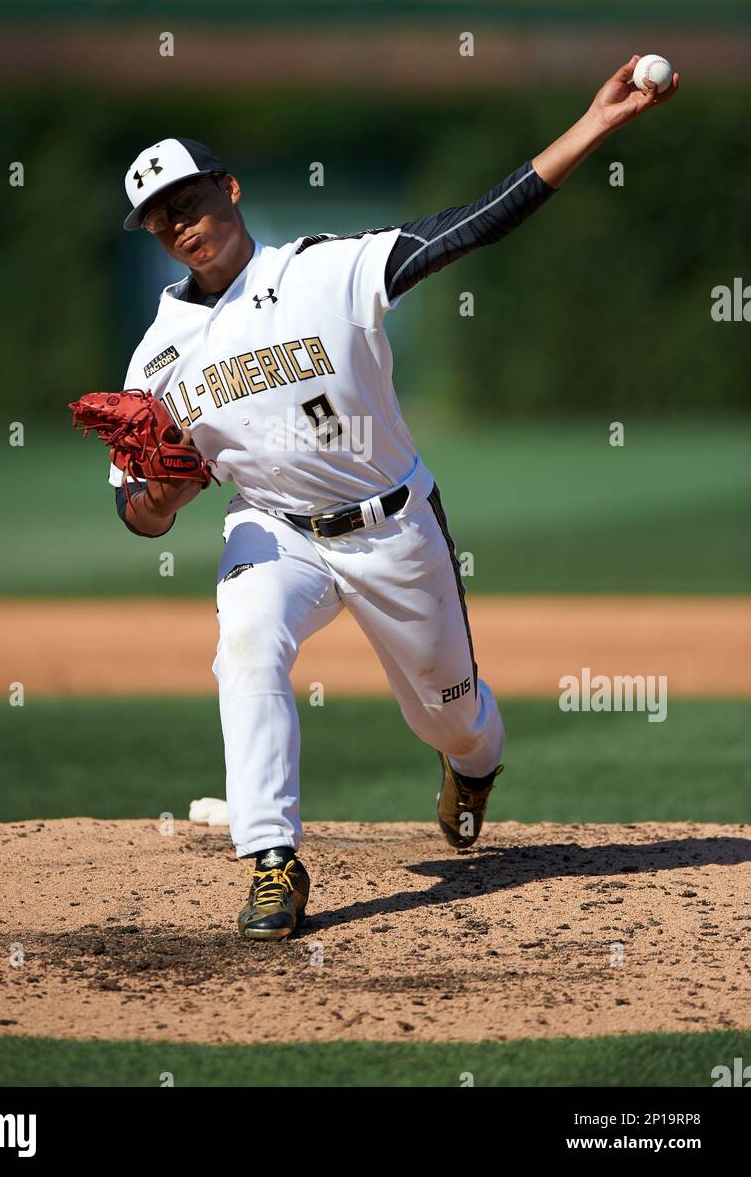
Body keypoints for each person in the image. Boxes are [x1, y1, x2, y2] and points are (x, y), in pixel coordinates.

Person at [110, 56, 678, 940]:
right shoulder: (156, 356)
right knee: (248, 643)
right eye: (160, 219)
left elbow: (477, 223)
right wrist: (161, 500)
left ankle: (474, 768)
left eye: (190, 200)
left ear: (229, 188)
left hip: (394, 526)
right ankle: (272, 862)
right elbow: (136, 509)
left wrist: (598, 124)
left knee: (452, 719)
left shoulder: (326, 270)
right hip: (272, 530)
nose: (182, 225)